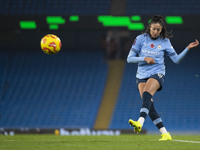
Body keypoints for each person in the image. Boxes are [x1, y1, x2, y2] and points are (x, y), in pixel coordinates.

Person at [127, 15, 199, 141]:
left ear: (161, 30)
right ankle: (165, 133)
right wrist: (144, 58)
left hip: (157, 73)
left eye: (158, 30)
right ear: (149, 27)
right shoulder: (140, 39)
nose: (156, 32)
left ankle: (139, 122)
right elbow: (129, 58)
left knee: (147, 94)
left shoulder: (165, 41)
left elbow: (176, 60)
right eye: (154, 29)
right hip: (141, 75)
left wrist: (187, 48)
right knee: (149, 105)